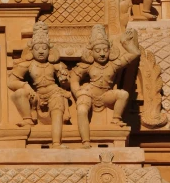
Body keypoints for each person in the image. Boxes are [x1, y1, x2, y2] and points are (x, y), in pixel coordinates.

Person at [70, 24, 140, 148]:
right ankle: (85, 141)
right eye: (97, 51)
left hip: (105, 95)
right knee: (81, 110)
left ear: (110, 50)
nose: (102, 54)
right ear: (91, 52)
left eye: (105, 50)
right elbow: (74, 78)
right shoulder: (88, 66)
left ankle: (116, 119)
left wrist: (125, 43)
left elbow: (135, 54)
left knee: (123, 94)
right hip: (89, 93)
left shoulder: (113, 65)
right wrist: (78, 92)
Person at [8, 20, 69, 148]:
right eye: (37, 48)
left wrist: (64, 79)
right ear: (31, 50)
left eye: (44, 48)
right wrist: (25, 85)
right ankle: (27, 119)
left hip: (54, 92)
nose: (41, 51)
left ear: (50, 50)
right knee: (19, 93)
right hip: (37, 94)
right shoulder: (28, 65)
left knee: (57, 110)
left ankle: (56, 143)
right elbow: (11, 82)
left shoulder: (55, 65)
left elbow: (66, 83)